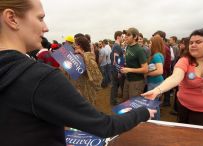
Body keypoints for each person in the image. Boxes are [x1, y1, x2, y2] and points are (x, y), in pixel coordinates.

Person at [0, 0, 157, 146]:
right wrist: (142, 113)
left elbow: (97, 78)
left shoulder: (27, 74)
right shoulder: (40, 78)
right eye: (40, 18)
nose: (46, 27)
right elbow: (104, 126)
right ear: (12, 18)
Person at [142, 28, 203, 127]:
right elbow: (175, 77)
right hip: (184, 107)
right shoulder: (185, 60)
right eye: (191, 42)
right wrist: (157, 90)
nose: (193, 45)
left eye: (198, 42)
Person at [121, 27, 148, 100]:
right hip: (127, 80)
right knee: (125, 102)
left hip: (136, 82)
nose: (126, 36)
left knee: (133, 105)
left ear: (135, 37)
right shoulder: (128, 47)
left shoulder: (140, 50)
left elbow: (145, 69)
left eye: (128, 35)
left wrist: (129, 70)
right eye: (126, 34)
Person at [146, 35, 165, 120]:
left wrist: (147, 73)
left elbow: (160, 71)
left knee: (152, 105)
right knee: (155, 104)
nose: (149, 44)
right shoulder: (159, 54)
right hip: (156, 82)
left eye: (150, 43)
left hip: (154, 83)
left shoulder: (156, 55)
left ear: (155, 44)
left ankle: (156, 122)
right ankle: (157, 121)